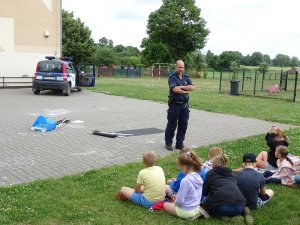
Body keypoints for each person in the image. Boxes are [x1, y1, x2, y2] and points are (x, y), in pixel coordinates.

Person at [163, 151, 209, 220]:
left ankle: (190, 216)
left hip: (186, 211)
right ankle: (194, 214)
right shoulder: (198, 176)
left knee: (165, 205)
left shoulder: (185, 180)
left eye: (179, 166)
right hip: (196, 208)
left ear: (183, 166)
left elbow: (179, 202)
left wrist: (174, 202)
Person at [202, 154, 247, 218]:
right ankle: (238, 214)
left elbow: (205, 191)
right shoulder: (232, 174)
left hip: (221, 207)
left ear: (213, 165)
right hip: (239, 207)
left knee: (204, 199)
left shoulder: (210, 174)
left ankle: (224, 217)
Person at [165, 60, 195, 151]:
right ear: (176, 67)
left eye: (182, 67)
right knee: (172, 125)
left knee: (183, 125)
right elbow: (174, 89)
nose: (181, 69)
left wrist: (181, 87)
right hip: (174, 105)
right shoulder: (172, 77)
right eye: (179, 67)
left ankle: (179, 144)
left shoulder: (186, 77)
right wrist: (185, 90)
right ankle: (168, 143)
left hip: (184, 106)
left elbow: (192, 87)